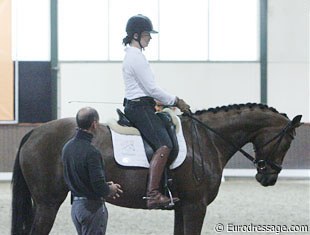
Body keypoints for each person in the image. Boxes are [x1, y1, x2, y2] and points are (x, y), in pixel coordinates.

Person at [122, 14, 191, 209]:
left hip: (143, 104)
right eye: (146, 34)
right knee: (164, 144)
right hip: (139, 107)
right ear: (136, 35)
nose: (150, 38)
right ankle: (152, 193)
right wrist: (176, 100)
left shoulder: (135, 55)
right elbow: (152, 89)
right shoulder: (135, 58)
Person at [62, 107, 123, 235]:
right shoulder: (92, 152)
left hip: (76, 207)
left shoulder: (67, 147)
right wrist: (110, 189)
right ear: (94, 124)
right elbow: (98, 186)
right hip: (91, 208)